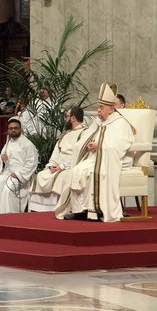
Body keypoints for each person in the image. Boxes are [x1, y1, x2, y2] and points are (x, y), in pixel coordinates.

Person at [55, 83, 135, 222]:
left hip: (111, 159)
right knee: (76, 171)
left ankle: (97, 211)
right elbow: (87, 137)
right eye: (98, 107)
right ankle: (80, 210)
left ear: (111, 110)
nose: (98, 111)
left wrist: (100, 145)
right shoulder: (100, 121)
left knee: (92, 173)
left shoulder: (120, 123)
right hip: (95, 157)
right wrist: (87, 145)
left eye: (101, 108)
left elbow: (121, 144)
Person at [28, 107, 87, 212]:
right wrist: (52, 165)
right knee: (41, 175)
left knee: (61, 177)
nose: (65, 119)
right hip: (58, 166)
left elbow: (80, 155)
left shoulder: (84, 133)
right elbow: (57, 152)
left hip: (71, 167)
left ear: (73, 118)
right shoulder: (65, 134)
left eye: (67, 116)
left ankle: (58, 209)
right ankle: (40, 210)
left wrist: (62, 166)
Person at [0, 117, 38, 214]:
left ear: (20, 129)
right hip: (7, 173)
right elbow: (1, 160)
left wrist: (18, 174)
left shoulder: (28, 144)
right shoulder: (8, 143)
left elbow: (32, 163)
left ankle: (9, 218)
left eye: (16, 128)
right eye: (11, 128)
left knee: (8, 191)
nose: (13, 130)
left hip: (21, 176)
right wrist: (2, 159)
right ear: (8, 130)